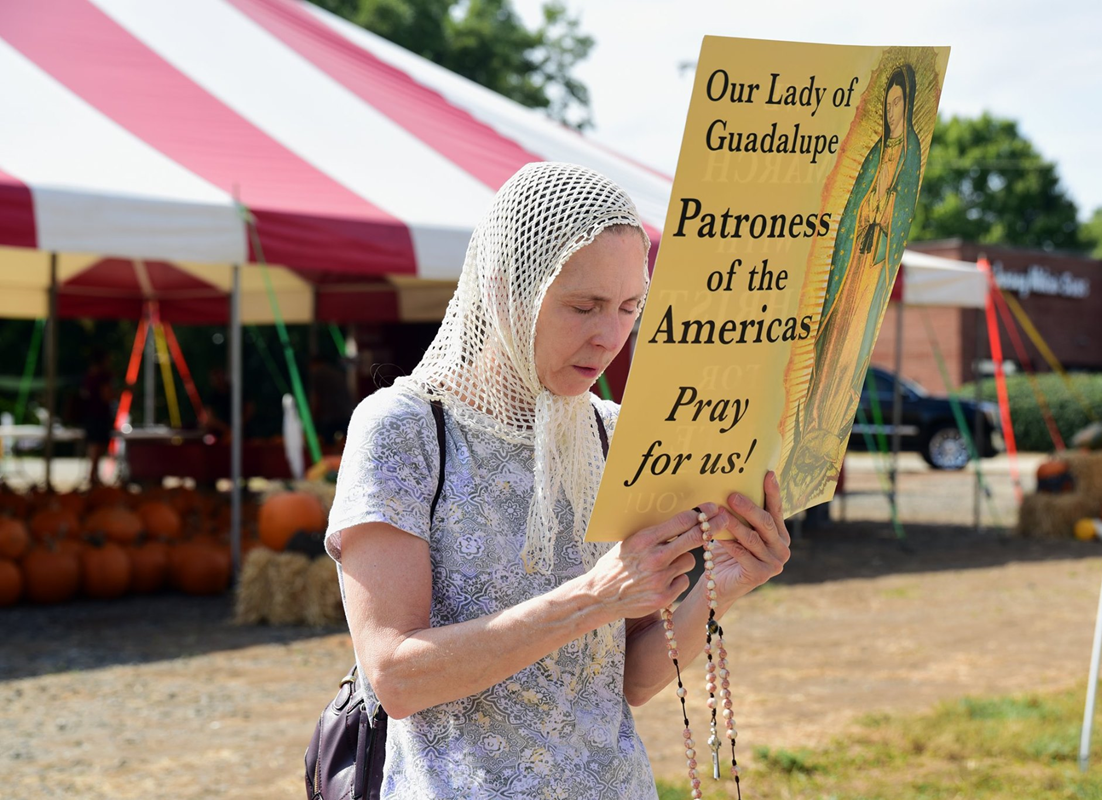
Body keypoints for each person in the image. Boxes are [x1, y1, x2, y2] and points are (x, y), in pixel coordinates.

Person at [325, 162, 791, 798]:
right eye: (583, 306)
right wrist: (594, 596)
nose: (609, 336)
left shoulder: (613, 433)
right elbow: (397, 678)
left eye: (630, 308)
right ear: (501, 289)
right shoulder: (405, 428)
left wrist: (723, 587)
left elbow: (629, 679)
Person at [785, 64, 923, 500]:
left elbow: (899, 215)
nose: (893, 110)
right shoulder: (874, 153)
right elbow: (850, 212)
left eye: (900, 102)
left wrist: (886, 215)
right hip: (852, 267)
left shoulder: (911, 153)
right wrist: (865, 213)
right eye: (888, 103)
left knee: (850, 354)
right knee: (830, 347)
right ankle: (807, 432)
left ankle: (825, 434)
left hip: (876, 269)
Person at [79, 349, 115, 486]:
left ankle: (93, 476)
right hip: (99, 415)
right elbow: (106, 396)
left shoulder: (88, 376)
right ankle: (93, 476)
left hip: (89, 415)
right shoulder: (102, 376)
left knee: (94, 445)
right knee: (97, 445)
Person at [308, 351, 353, 446]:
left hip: (330, 415)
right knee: (347, 443)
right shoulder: (336, 372)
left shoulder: (319, 373)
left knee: (328, 445)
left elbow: (317, 397)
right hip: (345, 411)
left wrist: (313, 416)